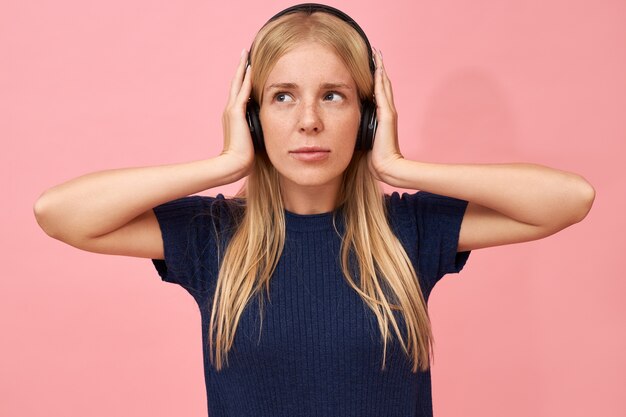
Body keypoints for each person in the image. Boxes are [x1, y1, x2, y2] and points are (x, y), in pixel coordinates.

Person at [33, 3, 595, 417]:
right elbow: (58, 212)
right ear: (252, 118)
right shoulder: (212, 236)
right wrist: (226, 162)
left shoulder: (410, 230)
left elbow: (571, 199)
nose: (308, 120)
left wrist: (400, 167)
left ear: (367, 118)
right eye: (282, 97)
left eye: (333, 95)